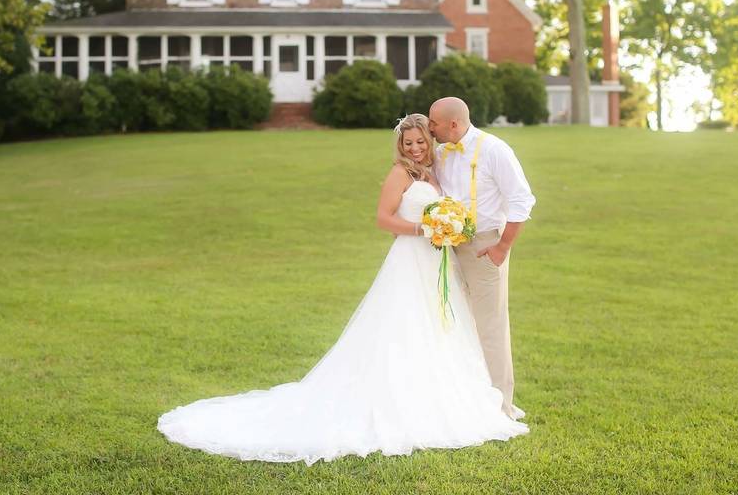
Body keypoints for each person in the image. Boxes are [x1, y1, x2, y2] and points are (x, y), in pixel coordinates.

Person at [157, 113, 528, 465]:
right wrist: (425, 229)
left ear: (431, 141)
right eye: (409, 142)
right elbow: (384, 219)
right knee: (403, 326)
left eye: (420, 141)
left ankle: (455, 396)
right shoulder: (400, 173)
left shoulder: (435, 171)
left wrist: (446, 228)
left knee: (442, 326)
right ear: (401, 145)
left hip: (435, 262)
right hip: (411, 258)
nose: (415, 148)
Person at [429, 97, 536, 420]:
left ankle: (500, 407)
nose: (429, 128)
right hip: (445, 247)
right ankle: (465, 398)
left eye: (433, 123)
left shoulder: (494, 150)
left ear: (453, 124)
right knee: (455, 322)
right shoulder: (438, 152)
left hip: (485, 245)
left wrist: (502, 246)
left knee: (491, 326)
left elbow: (522, 199)